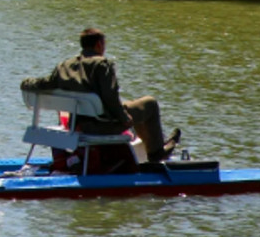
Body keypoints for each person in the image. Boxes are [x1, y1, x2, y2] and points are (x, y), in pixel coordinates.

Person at [23, 28, 179, 167]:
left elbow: (45, 83)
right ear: (98, 45)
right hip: (101, 125)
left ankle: (150, 149)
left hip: (76, 124)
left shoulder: (65, 65)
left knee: (129, 106)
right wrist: (124, 118)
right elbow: (109, 96)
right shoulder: (102, 64)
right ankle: (156, 153)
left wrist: (26, 83)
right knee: (149, 104)